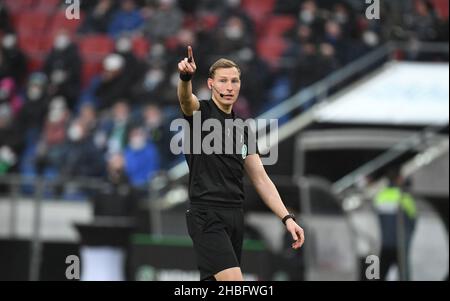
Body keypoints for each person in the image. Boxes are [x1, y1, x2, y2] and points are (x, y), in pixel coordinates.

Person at [177, 46, 305, 281]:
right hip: (206, 214)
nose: (229, 87)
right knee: (235, 283)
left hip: (235, 215)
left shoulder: (243, 129)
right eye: (223, 81)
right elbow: (186, 100)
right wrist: (185, 78)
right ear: (210, 84)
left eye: (234, 81)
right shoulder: (201, 114)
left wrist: (287, 218)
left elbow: (260, 178)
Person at [374, 167, 417, 280]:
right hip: (401, 247)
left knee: (377, 275)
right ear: (399, 179)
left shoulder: (380, 197)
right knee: (404, 277)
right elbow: (413, 222)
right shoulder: (405, 198)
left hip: (384, 246)